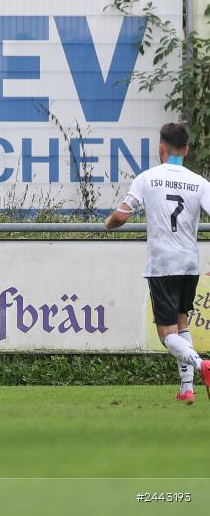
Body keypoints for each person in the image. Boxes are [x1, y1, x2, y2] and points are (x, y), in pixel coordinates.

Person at [105, 122, 210, 404]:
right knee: (182, 323)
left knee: (167, 335)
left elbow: (121, 217)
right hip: (189, 265)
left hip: (162, 265)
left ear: (161, 148)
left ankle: (202, 365)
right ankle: (187, 389)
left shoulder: (147, 179)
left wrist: (107, 223)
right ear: (185, 150)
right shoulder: (199, 183)